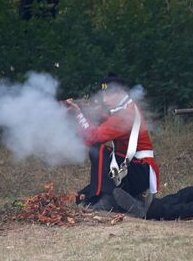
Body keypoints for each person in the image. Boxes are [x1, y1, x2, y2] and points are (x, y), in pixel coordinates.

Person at [65, 74, 159, 211]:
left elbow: (94, 137)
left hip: (140, 170)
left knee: (98, 150)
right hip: (129, 169)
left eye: (108, 95)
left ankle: (107, 198)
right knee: (81, 197)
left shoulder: (125, 114)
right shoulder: (122, 109)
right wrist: (83, 113)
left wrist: (79, 114)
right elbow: (97, 124)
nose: (104, 99)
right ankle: (128, 199)